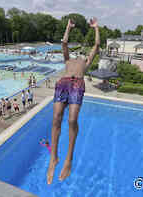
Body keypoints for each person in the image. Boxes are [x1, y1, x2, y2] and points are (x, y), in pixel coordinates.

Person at [46, 18, 100, 184]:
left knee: (72, 120)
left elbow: (96, 45)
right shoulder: (68, 60)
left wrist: (96, 28)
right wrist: (68, 27)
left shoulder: (86, 62)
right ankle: (53, 158)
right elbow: (64, 43)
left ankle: (68, 160)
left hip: (77, 84)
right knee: (56, 118)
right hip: (63, 83)